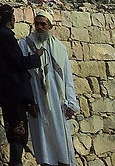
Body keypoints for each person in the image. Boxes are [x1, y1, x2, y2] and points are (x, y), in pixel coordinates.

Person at [0, 4, 45, 165]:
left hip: (6, 91)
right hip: (14, 91)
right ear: (11, 19)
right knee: (18, 131)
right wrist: (35, 57)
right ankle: (15, 162)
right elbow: (17, 62)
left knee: (13, 129)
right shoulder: (5, 36)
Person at [18, 10, 79, 166]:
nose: (39, 27)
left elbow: (67, 78)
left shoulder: (60, 48)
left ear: (50, 26)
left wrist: (71, 103)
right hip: (37, 100)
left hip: (58, 102)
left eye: (43, 24)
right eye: (36, 23)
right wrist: (28, 102)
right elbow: (21, 75)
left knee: (61, 143)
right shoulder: (25, 45)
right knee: (43, 144)